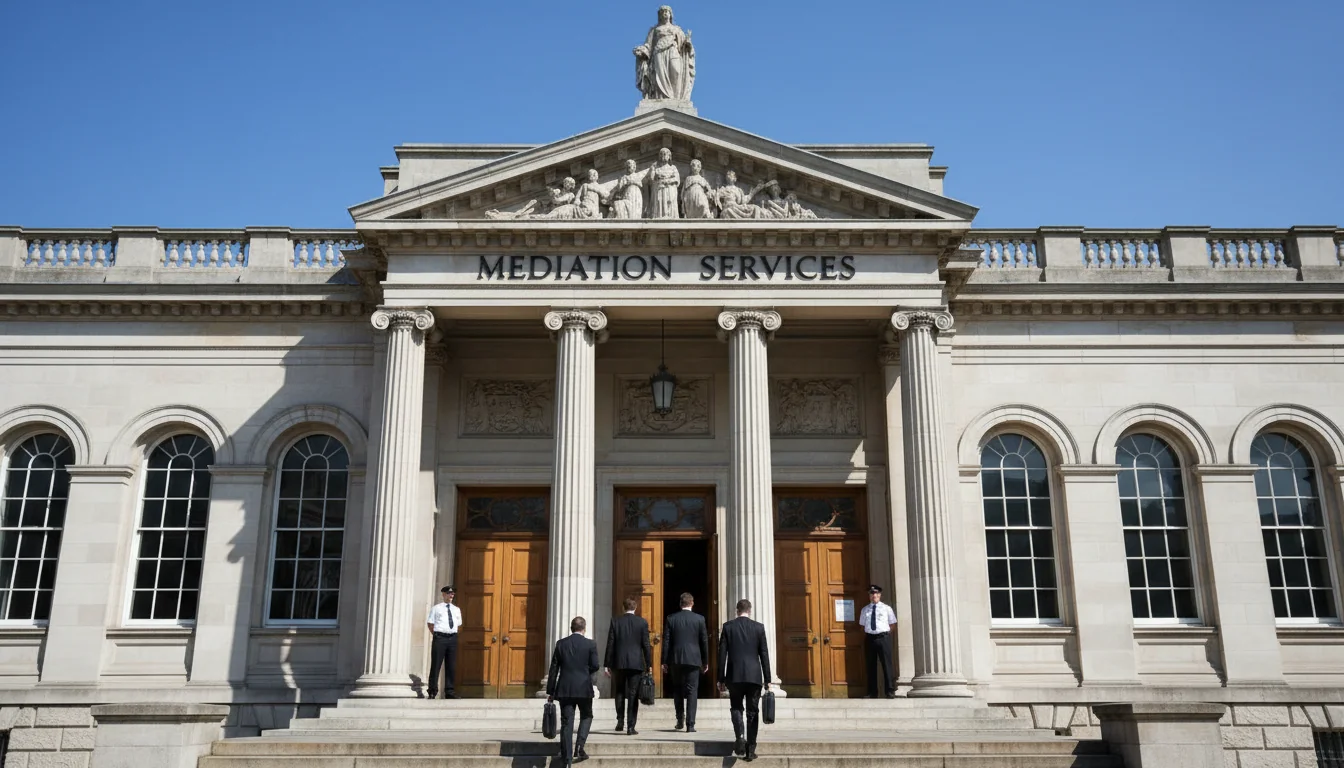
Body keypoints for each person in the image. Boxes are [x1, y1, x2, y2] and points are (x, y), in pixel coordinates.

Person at [717, 598, 771, 762]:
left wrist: (721, 678)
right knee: (752, 712)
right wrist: (768, 679)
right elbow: (764, 655)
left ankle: (740, 736)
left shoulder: (728, 627)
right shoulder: (759, 627)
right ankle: (750, 749)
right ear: (750, 610)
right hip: (754, 676)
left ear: (736, 610)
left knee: (736, 707)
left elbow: (722, 655)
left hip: (734, 675)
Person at [547, 616, 600, 767]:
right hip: (584, 687)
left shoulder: (561, 644)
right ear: (584, 628)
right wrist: (584, 672)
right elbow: (595, 665)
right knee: (587, 715)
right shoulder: (590, 644)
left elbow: (554, 669)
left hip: (565, 688)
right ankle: (579, 746)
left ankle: (567, 758)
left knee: (566, 723)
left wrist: (551, 691)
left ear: (571, 628)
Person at [660, 591, 708, 732]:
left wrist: (664, 661)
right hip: (694, 659)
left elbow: (666, 641)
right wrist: (705, 661)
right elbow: (704, 641)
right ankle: (690, 724)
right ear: (692, 603)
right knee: (692, 691)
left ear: (680, 604)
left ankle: (680, 719)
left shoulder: (671, 618)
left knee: (678, 690)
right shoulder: (700, 619)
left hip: (676, 659)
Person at [603, 596, 652, 734]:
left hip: (618, 662)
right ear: (635, 608)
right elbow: (646, 645)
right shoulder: (642, 622)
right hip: (636, 663)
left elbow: (610, 643)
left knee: (619, 691)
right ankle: (631, 726)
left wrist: (607, 664)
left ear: (623, 608)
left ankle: (620, 721)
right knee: (633, 694)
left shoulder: (615, 621)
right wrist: (649, 663)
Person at [858, 585, 898, 698]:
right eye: (871, 594)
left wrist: (885, 634)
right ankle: (872, 692)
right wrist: (870, 634)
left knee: (887, 665)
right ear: (869, 595)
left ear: (879, 595)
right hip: (870, 639)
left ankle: (889, 691)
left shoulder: (886, 608)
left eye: (876, 593)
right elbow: (862, 626)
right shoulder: (865, 609)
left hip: (883, 638)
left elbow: (892, 624)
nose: (874, 596)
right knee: (871, 666)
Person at [425, 585, 462, 699]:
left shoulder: (456, 609)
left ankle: (449, 691)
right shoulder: (436, 608)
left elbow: (459, 625)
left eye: (453, 593)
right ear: (444, 594)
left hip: (452, 638)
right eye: (449, 593)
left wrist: (453, 635)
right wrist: (437, 635)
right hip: (440, 638)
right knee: (436, 665)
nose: (451, 595)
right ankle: (432, 690)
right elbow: (431, 624)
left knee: (451, 665)